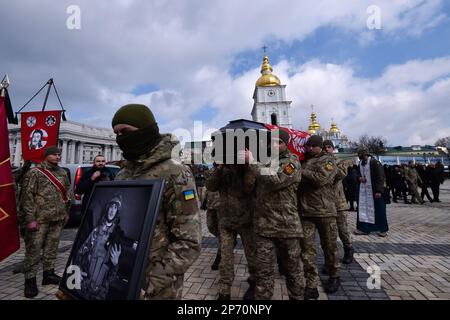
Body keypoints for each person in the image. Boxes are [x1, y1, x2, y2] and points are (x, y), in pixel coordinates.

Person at [112, 104, 202, 299]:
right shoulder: (122, 173)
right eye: (116, 133)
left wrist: (150, 282)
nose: (120, 138)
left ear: (146, 130)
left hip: (158, 286)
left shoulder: (176, 172)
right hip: (122, 272)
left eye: (125, 131)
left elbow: (189, 241)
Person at [242, 129, 305, 300]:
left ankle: (297, 297)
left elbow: (275, 180)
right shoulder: (266, 161)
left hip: (287, 227)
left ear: (286, 144)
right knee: (264, 272)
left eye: (279, 142)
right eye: (272, 142)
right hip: (264, 227)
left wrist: (253, 163)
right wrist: (247, 168)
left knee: (293, 271)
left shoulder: (292, 163)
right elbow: (249, 188)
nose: (274, 145)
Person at [20, 146, 70, 298]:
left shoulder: (62, 172)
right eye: (54, 154)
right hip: (39, 219)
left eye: (59, 155)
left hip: (57, 217)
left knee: (51, 247)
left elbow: (66, 192)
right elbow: (27, 197)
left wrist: (66, 212)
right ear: (46, 156)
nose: (57, 157)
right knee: (33, 251)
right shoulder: (35, 172)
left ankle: (48, 274)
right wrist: (30, 219)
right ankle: (30, 280)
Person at [298, 135, 340, 299]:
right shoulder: (305, 160)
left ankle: (334, 275)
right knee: (307, 250)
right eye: (306, 146)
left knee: (329, 246)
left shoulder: (328, 161)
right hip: (306, 212)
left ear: (318, 147)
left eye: (310, 146)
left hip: (325, 212)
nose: (307, 148)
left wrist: (302, 171)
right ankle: (311, 283)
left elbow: (321, 179)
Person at [206, 163, 257, 300]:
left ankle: (254, 281)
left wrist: (245, 166)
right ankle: (224, 290)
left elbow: (249, 187)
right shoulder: (221, 169)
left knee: (251, 255)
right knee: (226, 258)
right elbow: (210, 186)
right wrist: (219, 167)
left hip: (246, 220)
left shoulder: (247, 167)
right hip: (226, 221)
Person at [74, 194, 124, 300]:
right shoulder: (96, 231)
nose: (112, 210)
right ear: (107, 209)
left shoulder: (117, 237)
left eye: (115, 208)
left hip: (99, 293)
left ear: (117, 212)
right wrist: (77, 270)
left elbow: (112, 278)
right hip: (83, 285)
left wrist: (115, 264)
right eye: (111, 207)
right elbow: (80, 253)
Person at [323, 140, 354, 265]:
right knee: (329, 233)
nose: (326, 149)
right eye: (324, 147)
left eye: (329, 147)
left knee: (343, 229)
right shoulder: (319, 163)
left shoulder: (339, 162)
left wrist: (328, 164)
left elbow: (340, 174)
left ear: (333, 149)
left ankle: (348, 248)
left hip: (338, 202)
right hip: (324, 203)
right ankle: (331, 260)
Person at [354, 147, 389, 237]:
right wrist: (359, 178)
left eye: (360, 154)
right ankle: (364, 228)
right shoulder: (361, 163)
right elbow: (357, 174)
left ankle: (383, 229)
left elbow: (380, 177)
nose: (359, 156)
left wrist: (378, 191)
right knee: (363, 210)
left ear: (364, 154)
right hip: (364, 192)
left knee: (379, 210)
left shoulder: (374, 162)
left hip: (375, 191)